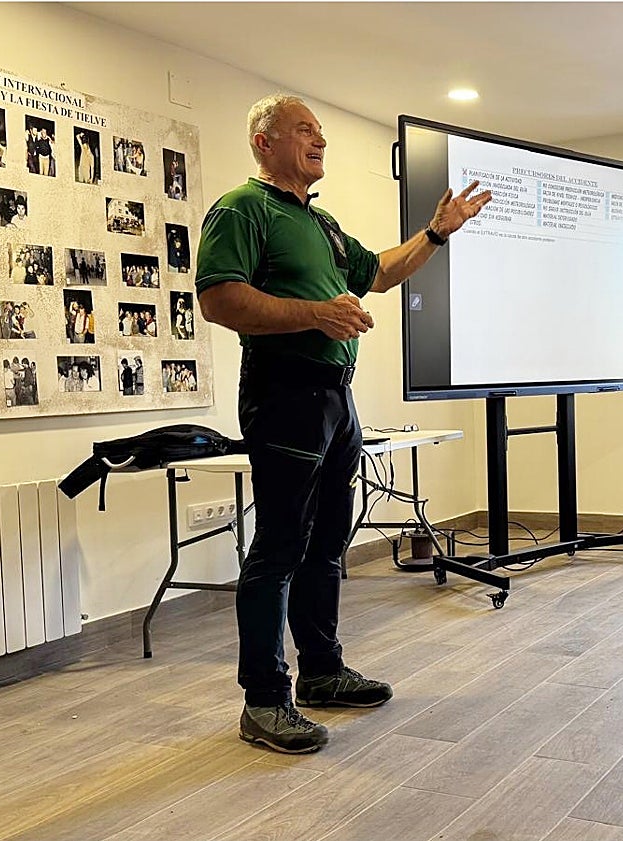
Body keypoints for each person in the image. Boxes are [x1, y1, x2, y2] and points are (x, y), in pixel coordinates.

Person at [195, 94, 491, 755]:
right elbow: (218, 298)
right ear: (263, 143)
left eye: (320, 132)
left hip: (335, 400)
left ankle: (322, 672)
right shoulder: (243, 208)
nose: (318, 139)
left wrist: (437, 232)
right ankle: (264, 700)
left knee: (327, 542)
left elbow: (380, 272)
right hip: (282, 395)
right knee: (278, 548)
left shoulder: (320, 222)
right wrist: (313, 315)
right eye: (304, 130)